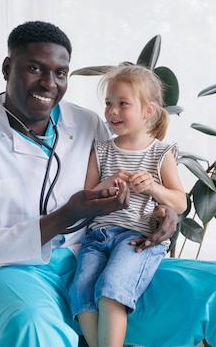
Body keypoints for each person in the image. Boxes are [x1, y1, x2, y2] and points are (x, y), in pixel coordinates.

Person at [0, 20, 216, 347]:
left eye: (60, 73)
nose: (49, 83)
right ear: (7, 68)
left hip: (99, 264)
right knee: (34, 326)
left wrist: (165, 211)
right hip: (11, 275)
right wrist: (63, 216)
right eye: (34, 69)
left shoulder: (88, 123)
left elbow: (129, 176)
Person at [70, 65, 188, 347]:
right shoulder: (102, 150)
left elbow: (180, 202)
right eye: (109, 103)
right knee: (81, 293)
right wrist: (108, 182)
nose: (112, 111)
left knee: (111, 289)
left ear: (148, 111)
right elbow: (88, 196)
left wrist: (153, 187)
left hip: (135, 238)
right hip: (98, 237)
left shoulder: (161, 153)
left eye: (123, 104)